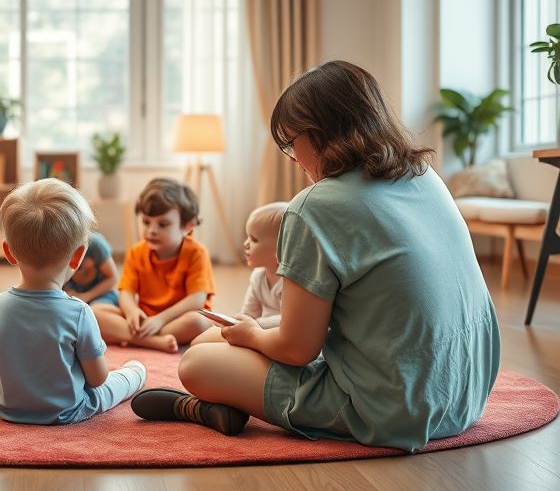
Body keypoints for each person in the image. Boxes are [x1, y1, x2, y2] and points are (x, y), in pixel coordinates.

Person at [132, 60, 500, 450]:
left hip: (393, 407)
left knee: (197, 360)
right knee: (213, 340)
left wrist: (254, 334)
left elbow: (297, 348)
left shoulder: (314, 206)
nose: (292, 158)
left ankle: (201, 408)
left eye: (291, 143)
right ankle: (223, 399)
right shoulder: (424, 175)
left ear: (320, 133)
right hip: (467, 390)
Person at [0, 178, 146, 425]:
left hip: (9, 410)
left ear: (8, 252)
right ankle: (137, 373)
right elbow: (98, 378)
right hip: (69, 411)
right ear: (78, 256)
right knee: (117, 382)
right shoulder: (79, 312)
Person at [93, 178, 214, 353]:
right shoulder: (136, 252)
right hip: (145, 318)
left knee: (198, 322)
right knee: (95, 312)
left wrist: (160, 319)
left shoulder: (197, 252)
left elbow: (197, 300)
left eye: (162, 224)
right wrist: (132, 311)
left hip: (176, 319)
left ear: (187, 226)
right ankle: (154, 342)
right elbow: (126, 293)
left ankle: (132, 337)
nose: (152, 230)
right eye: (145, 222)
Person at [192, 201, 288, 345]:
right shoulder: (258, 276)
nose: (246, 244)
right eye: (247, 237)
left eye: (254, 239)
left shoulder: (288, 282)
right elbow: (248, 313)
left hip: (273, 340)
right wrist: (234, 321)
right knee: (199, 342)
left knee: (203, 346)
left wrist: (252, 324)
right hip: (255, 332)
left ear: (280, 249)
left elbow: (285, 321)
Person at [63, 231, 120, 308]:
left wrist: (86, 296)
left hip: (102, 296)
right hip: (73, 297)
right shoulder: (60, 249)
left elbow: (113, 278)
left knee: (96, 310)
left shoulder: (96, 243)